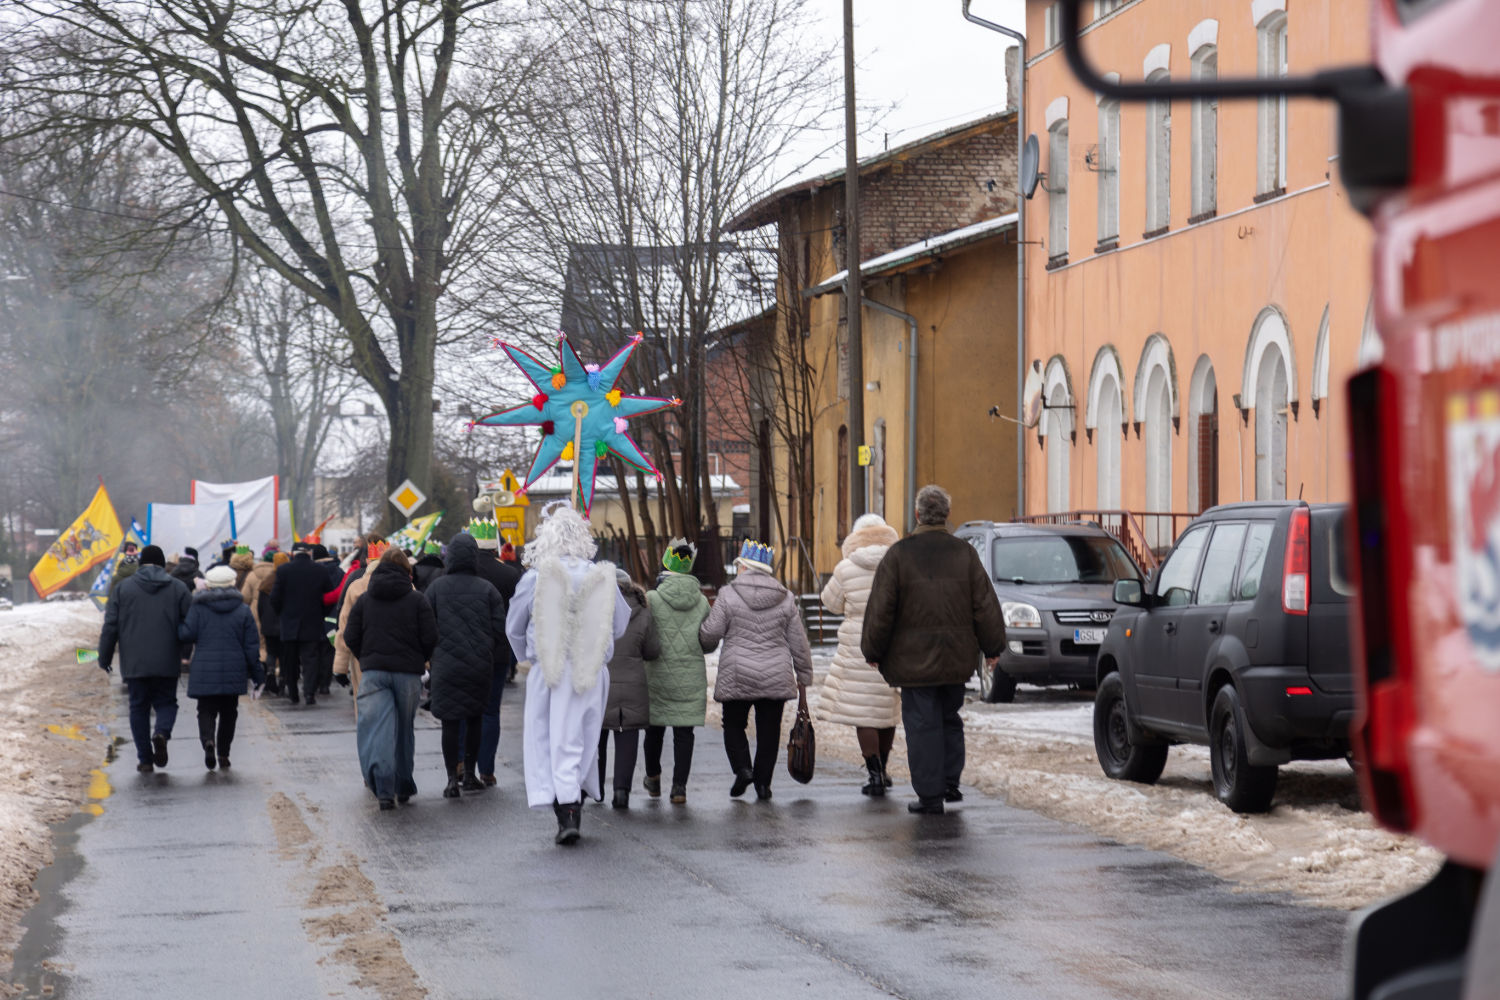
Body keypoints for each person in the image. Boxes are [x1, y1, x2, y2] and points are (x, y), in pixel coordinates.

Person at [862, 484, 1006, 815]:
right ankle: (950, 782)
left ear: (917, 515)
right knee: (949, 718)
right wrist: (993, 647)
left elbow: (882, 609)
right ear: (947, 514)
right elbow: (984, 605)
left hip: (913, 663)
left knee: (922, 725)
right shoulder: (964, 554)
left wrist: (873, 649)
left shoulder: (899, 555)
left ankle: (930, 795)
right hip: (956, 657)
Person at [505, 502, 630, 845]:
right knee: (582, 738)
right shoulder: (601, 575)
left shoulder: (535, 578)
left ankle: (567, 809)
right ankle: (574, 802)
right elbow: (619, 623)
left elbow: (514, 626)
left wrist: (527, 657)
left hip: (550, 670)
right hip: (591, 668)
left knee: (549, 740)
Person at [700, 540, 813, 802]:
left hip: (737, 672)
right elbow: (799, 642)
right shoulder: (785, 597)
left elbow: (711, 632)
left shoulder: (728, 594)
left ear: (744, 567)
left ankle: (743, 769)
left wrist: (704, 640)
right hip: (775, 675)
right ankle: (763, 785)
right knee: (769, 732)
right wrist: (804, 675)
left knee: (733, 725)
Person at [343, 547, 437, 810]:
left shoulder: (365, 600)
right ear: (407, 571)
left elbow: (350, 636)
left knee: (376, 728)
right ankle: (403, 784)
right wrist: (419, 659)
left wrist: (366, 658)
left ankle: (384, 789)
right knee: (404, 729)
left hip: (374, 673)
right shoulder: (417, 600)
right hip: (408, 674)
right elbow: (431, 637)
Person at [818, 513, 903, 796]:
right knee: (886, 711)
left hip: (858, 646)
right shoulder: (899, 565)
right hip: (892, 645)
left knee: (864, 715)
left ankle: (874, 774)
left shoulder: (846, 568)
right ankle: (884, 770)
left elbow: (830, 603)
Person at [424, 532, 506, 799]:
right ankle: (470, 774)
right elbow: (499, 629)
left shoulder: (436, 588)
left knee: (450, 723)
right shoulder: (487, 589)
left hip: (445, 666)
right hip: (478, 665)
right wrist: (485, 648)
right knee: (474, 718)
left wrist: (433, 654)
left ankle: (451, 779)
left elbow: (426, 626)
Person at [98, 545, 192, 772]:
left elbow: (110, 626)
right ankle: (161, 733)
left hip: (134, 661)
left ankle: (145, 759)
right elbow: (190, 625)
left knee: (138, 707)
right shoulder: (178, 588)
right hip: (167, 659)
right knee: (167, 702)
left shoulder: (122, 589)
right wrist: (184, 650)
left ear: (140, 564)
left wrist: (105, 657)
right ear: (162, 564)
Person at [643, 539, 711, 804]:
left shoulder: (651, 599)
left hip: (656, 675)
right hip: (690, 676)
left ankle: (653, 777)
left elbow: (644, 636)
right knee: (684, 734)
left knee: (654, 730)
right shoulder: (702, 602)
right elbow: (708, 642)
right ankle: (679, 788)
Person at [179, 565, 263, 770]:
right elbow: (251, 647)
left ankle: (208, 740)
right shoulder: (243, 610)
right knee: (229, 713)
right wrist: (258, 675)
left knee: (205, 710)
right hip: (234, 669)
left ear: (208, 585)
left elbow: (186, 634)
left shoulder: (198, 608)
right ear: (232, 584)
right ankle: (224, 753)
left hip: (204, 669)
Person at [598, 569, 660, 809]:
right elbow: (652, 650)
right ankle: (621, 791)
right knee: (627, 736)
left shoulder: (595, 610)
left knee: (597, 735)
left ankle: (596, 788)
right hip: (633, 684)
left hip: (600, 683)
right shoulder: (643, 611)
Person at [470, 520, 522, 785]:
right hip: (498, 650)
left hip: (466, 651)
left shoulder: (458, 573)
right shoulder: (509, 575)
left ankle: (463, 766)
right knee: (490, 711)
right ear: (495, 547)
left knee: (466, 710)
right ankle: (487, 769)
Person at [270, 544, 333, 706]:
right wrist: (322, 613)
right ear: (309, 553)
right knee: (310, 659)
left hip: (289, 622)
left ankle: (293, 693)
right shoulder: (320, 570)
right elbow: (329, 596)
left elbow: (274, 597)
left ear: (293, 553)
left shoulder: (283, 570)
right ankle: (309, 692)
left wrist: (282, 614)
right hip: (313, 621)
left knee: (290, 661)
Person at [333, 541, 385, 700]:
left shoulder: (356, 584)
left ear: (367, 560)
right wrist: (423, 665)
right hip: (400, 659)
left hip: (363, 656)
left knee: (366, 705)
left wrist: (340, 667)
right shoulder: (407, 584)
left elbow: (345, 625)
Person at [249, 551, 289, 694]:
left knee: (271, 652)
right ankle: (283, 679)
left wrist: (263, 621)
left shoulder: (266, 581)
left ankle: (270, 673)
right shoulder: (288, 580)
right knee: (284, 654)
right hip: (285, 624)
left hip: (268, 624)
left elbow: (260, 606)